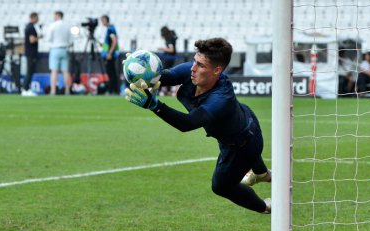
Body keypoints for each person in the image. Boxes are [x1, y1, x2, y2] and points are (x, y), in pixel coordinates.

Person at [125, 38, 272, 214]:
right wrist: (138, 68)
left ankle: (266, 207)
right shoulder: (193, 71)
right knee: (232, 136)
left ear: (217, 70)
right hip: (241, 121)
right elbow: (167, 76)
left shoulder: (221, 98)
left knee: (220, 186)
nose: (193, 68)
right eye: (195, 60)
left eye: (200, 65)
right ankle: (262, 174)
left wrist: (155, 106)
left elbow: (188, 123)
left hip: (243, 144)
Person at [47, 11, 72, 95]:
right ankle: (67, 90)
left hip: (55, 49)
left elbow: (48, 38)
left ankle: (53, 91)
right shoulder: (67, 26)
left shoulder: (52, 26)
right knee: (66, 71)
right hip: (64, 49)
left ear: (57, 16)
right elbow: (71, 41)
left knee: (54, 71)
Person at [22, 12, 42, 97]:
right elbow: (32, 40)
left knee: (30, 71)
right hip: (31, 53)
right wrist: (40, 37)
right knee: (29, 71)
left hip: (29, 52)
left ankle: (26, 88)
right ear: (33, 17)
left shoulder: (28, 27)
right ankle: (25, 89)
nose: (38, 19)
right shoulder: (31, 28)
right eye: (37, 17)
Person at [100, 15, 119, 95]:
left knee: (111, 73)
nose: (101, 22)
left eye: (102, 20)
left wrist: (109, 53)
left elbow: (114, 41)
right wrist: (103, 46)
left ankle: (113, 90)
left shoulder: (110, 29)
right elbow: (110, 42)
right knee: (111, 72)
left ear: (105, 20)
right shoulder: (110, 28)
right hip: (109, 53)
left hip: (110, 55)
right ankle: (114, 90)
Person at [158, 26, 177, 95]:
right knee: (168, 73)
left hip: (169, 58)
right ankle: (168, 90)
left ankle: (161, 90)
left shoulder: (169, 38)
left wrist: (162, 49)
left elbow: (171, 50)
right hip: (171, 58)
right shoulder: (171, 36)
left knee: (164, 73)